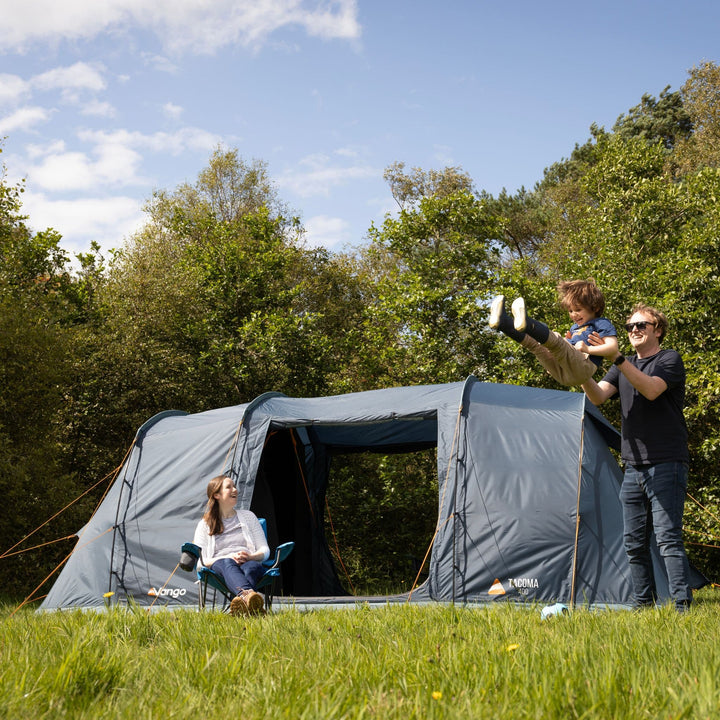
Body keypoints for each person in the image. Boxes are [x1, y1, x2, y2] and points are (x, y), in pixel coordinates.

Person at [581, 304, 692, 612]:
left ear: (658, 330)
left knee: (668, 538)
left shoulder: (668, 359)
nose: (634, 330)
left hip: (666, 460)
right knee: (633, 541)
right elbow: (598, 396)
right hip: (633, 465)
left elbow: (652, 390)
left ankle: (682, 606)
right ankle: (643, 605)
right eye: (630, 326)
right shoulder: (623, 364)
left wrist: (615, 356)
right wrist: (581, 370)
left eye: (642, 325)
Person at [489, 279, 619, 386]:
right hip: (565, 375)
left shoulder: (600, 323)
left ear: (595, 307)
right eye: (570, 311)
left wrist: (588, 349)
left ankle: (527, 323)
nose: (573, 315)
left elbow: (612, 348)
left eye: (578, 309)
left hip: (584, 368)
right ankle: (503, 323)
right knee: (536, 346)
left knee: (556, 342)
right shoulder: (575, 328)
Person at [193, 475, 270, 616]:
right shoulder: (205, 524)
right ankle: (249, 596)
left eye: (234, 486)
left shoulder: (249, 517)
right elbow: (199, 562)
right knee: (227, 561)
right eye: (229, 487)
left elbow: (265, 551)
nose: (235, 489)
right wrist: (228, 556)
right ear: (216, 495)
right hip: (221, 566)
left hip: (248, 562)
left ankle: (243, 605)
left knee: (251, 567)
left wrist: (250, 556)